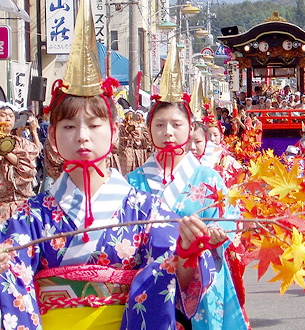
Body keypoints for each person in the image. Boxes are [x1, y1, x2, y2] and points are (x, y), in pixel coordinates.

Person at [0, 4, 215, 328]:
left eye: (95, 125)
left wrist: (186, 252)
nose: (82, 137)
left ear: (114, 132)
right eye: (69, 127)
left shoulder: (147, 211)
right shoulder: (30, 218)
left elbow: (175, 281)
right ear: (53, 137)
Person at [126, 40, 248, 330]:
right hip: (151, 288)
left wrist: (218, 238)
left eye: (176, 124)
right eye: (159, 125)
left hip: (201, 283)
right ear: (149, 129)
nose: (167, 132)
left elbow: (230, 227)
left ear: (190, 127)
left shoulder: (209, 179)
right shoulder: (133, 182)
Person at [0, 103, 39, 222]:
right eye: (3, 115)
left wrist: (5, 151)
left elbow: (27, 169)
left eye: (11, 116)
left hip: (22, 204)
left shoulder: (23, 144)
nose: (7, 118)